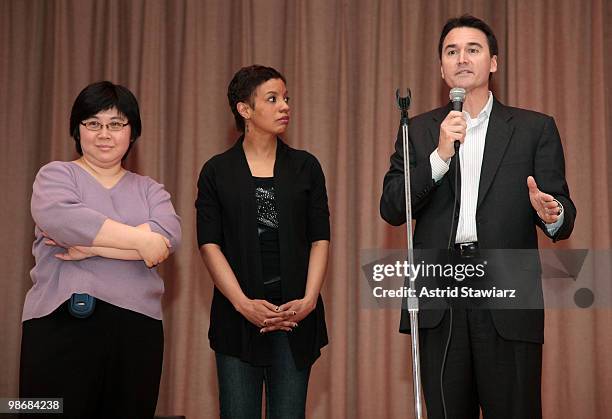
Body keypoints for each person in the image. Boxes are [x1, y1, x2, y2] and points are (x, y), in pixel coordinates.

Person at [380, 15, 576, 419]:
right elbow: (392, 207)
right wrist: (438, 158)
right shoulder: (416, 131)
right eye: (452, 51)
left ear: (493, 63)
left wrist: (551, 212)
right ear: (441, 67)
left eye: (473, 49)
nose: (462, 58)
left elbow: (562, 210)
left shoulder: (533, 128)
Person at [19, 81, 182, 418]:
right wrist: (140, 241)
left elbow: (167, 238)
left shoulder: (152, 190)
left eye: (116, 124)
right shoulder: (55, 175)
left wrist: (90, 247)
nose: (104, 133)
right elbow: (62, 218)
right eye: (92, 123)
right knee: (43, 412)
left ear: (132, 132)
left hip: (138, 331)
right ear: (77, 130)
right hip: (58, 325)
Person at [196, 65, 330, 419]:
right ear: (245, 110)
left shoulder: (305, 167)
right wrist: (243, 304)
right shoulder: (217, 171)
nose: (284, 106)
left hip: (294, 317)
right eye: (272, 99)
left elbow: (320, 239)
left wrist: (310, 299)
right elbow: (209, 245)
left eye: (286, 98)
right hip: (238, 320)